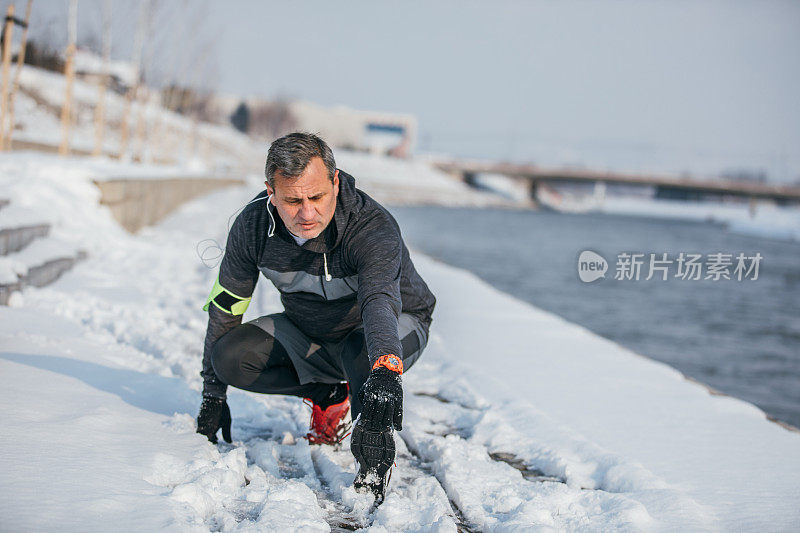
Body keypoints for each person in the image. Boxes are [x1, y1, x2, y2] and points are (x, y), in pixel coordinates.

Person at [196, 132, 436, 500]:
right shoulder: (252, 227)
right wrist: (213, 394)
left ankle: (370, 455)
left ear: (335, 182)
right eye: (292, 200)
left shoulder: (371, 227)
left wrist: (386, 373)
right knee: (229, 356)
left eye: (317, 197)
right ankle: (326, 393)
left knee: (362, 350)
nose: (307, 213)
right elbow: (227, 306)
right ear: (270, 193)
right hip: (309, 330)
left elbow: (379, 302)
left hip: (388, 326)